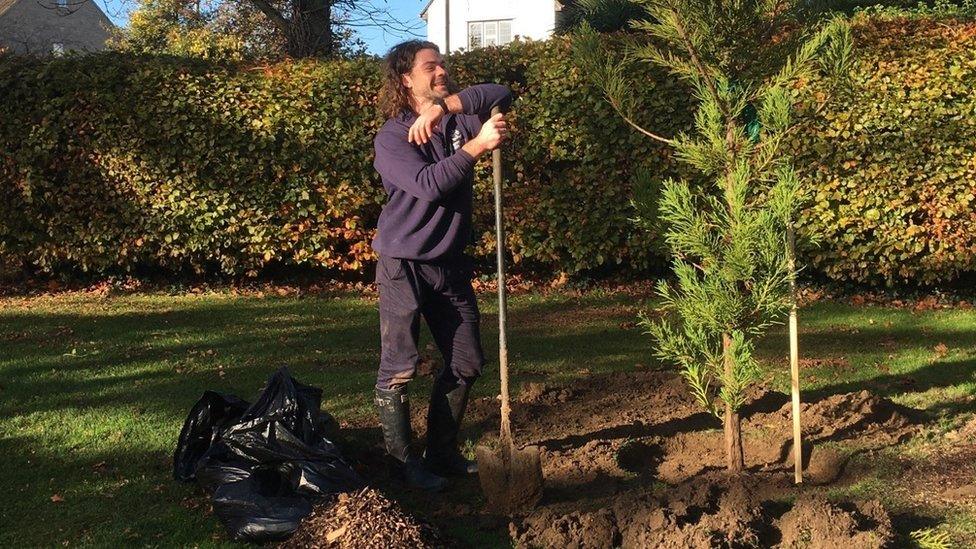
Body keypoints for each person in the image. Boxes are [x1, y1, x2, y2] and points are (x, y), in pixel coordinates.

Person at [371, 40, 512, 492]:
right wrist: (476, 147)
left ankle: (443, 453)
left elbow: (501, 93)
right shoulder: (391, 138)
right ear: (405, 79)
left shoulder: (456, 121)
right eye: (429, 67)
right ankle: (401, 464)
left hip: (448, 263)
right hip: (403, 262)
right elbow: (429, 185)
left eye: (443, 65)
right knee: (399, 364)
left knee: (468, 358)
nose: (441, 72)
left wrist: (444, 108)